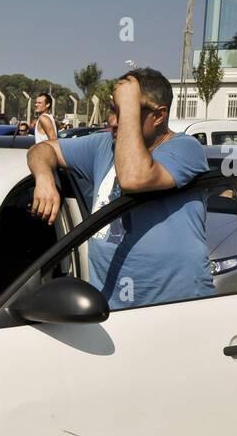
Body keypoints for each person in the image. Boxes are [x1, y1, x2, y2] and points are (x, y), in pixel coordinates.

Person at [27, 67, 212, 310]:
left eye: (126, 113)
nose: (113, 122)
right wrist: (45, 179)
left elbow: (133, 178)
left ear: (159, 116)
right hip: (109, 310)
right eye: (112, 110)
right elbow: (42, 150)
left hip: (177, 309)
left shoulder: (186, 149)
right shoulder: (103, 145)